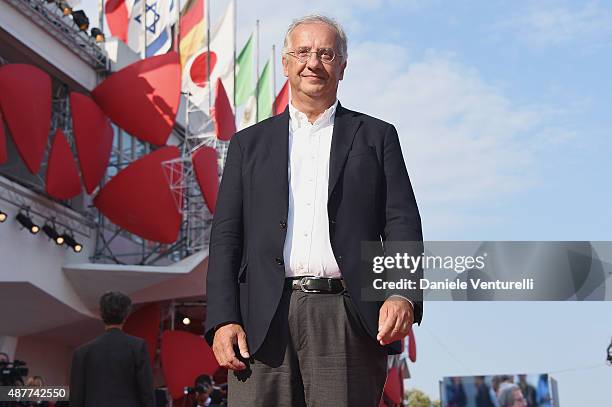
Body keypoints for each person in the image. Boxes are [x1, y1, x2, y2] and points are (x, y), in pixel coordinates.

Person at [205, 14, 423, 407]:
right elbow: (226, 238)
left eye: (326, 53)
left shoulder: (377, 137)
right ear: (286, 63)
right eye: (303, 52)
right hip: (261, 322)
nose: (313, 62)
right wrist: (223, 319)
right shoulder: (247, 145)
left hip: (346, 316)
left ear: (342, 66)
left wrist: (402, 293)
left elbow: (402, 221)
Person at [69, 291, 154, 407]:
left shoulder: (82, 352)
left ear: (101, 315)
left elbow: (76, 398)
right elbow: (147, 394)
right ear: (126, 316)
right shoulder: (137, 347)